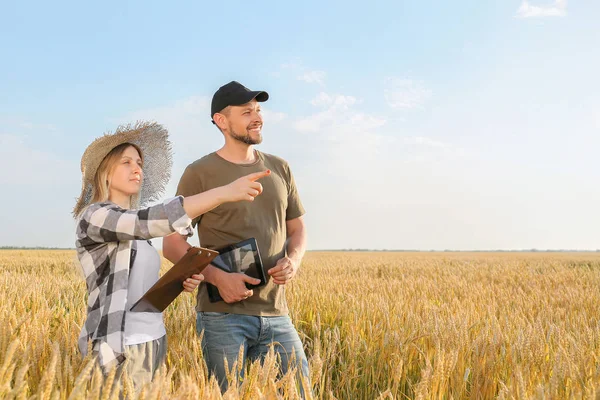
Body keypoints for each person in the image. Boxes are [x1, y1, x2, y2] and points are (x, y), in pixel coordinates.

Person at [73, 121, 269, 391]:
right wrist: (223, 193)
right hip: (117, 345)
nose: (137, 168)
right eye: (126, 162)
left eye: (139, 163)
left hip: (153, 339)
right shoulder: (95, 216)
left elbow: (137, 283)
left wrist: (179, 280)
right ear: (104, 172)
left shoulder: (138, 232)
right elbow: (154, 219)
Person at [163, 81, 310, 395]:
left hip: (277, 313)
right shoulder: (199, 173)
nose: (257, 117)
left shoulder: (280, 168)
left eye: (258, 110)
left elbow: (297, 229)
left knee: (301, 393)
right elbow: (173, 244)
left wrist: (293, 260)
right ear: (221, 121)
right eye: (246, 112)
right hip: (222, 318)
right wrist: (219, 279)